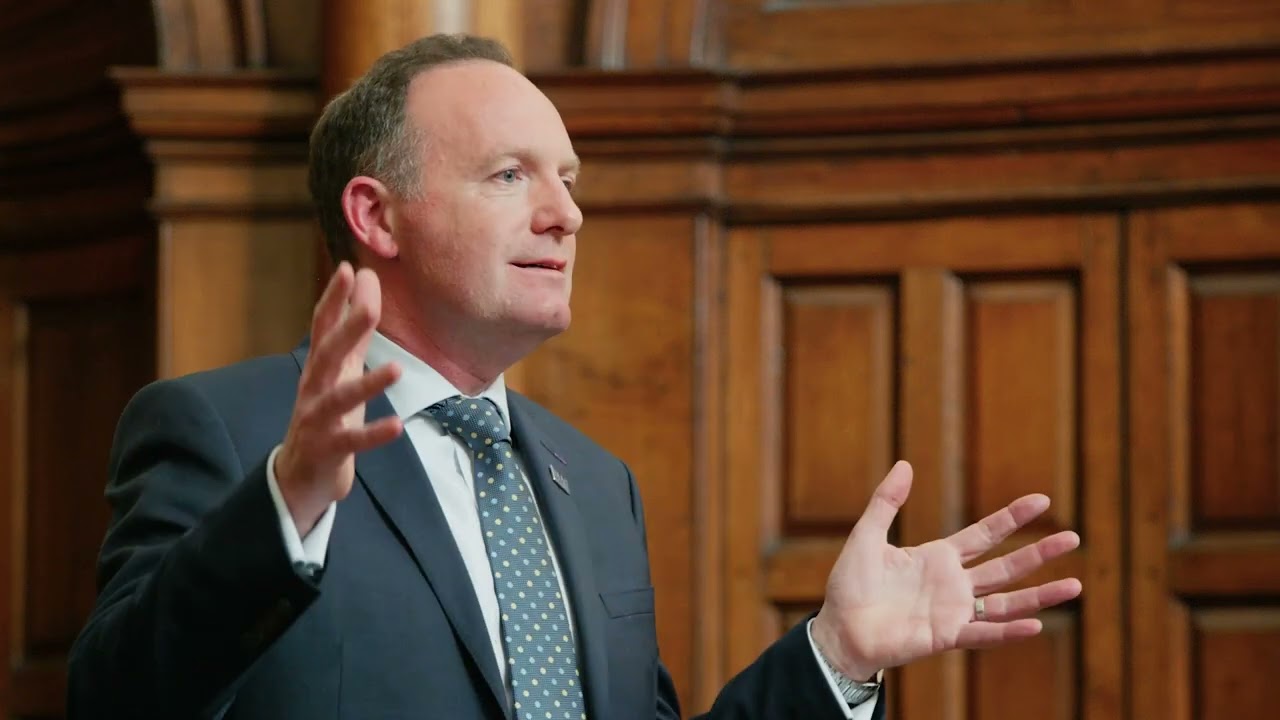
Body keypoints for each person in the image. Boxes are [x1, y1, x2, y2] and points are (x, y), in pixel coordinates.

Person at [67, 33, 1082, 720]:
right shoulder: (225, 429)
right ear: (376, 215)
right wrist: (285, 510)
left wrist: (836, 657)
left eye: (568, 179)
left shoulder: (592, 483)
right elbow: (116, 701)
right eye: (510, 175)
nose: (566, 213)